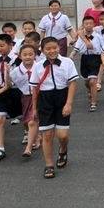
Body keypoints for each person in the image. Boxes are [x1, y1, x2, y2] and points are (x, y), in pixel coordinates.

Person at [30, 37, 79, 178]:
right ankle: (49, 165)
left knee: (62, 135)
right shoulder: (38, 66)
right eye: (48, 49)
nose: (52, 51)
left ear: (59, 47)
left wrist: (69, 103)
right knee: (47, 135)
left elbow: (73, 83)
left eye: (54, 48)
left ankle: (63, 150)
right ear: (42, 50)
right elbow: (35, 89)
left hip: (62, 97)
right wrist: (34, 108)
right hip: (45, 100)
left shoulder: (67, 62)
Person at [10, 44, 39, 157]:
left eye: (30, 54)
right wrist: (7, 75)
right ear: (20, 56)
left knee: (32, 121)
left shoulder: (39, 67)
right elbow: (9, 85)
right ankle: (37, 137)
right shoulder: (16, 71)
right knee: (27, 122)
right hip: (25, 97)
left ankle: (28, 148)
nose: (28, 57)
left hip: (39, 97)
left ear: (35, 55)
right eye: (25, 55)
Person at [72, 16, 103, 111]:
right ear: (83, 25)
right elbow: (76, 48)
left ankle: (93, 103)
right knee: (86, 81)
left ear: (94, 25)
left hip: (95, 59)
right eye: (86, 24)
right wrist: (71, 56)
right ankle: (90, 90)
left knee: (93, 81)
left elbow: (99, 48)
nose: (88, 25)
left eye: (90, 23)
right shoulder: (81, 37)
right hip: (84, 58)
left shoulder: (98, 36)